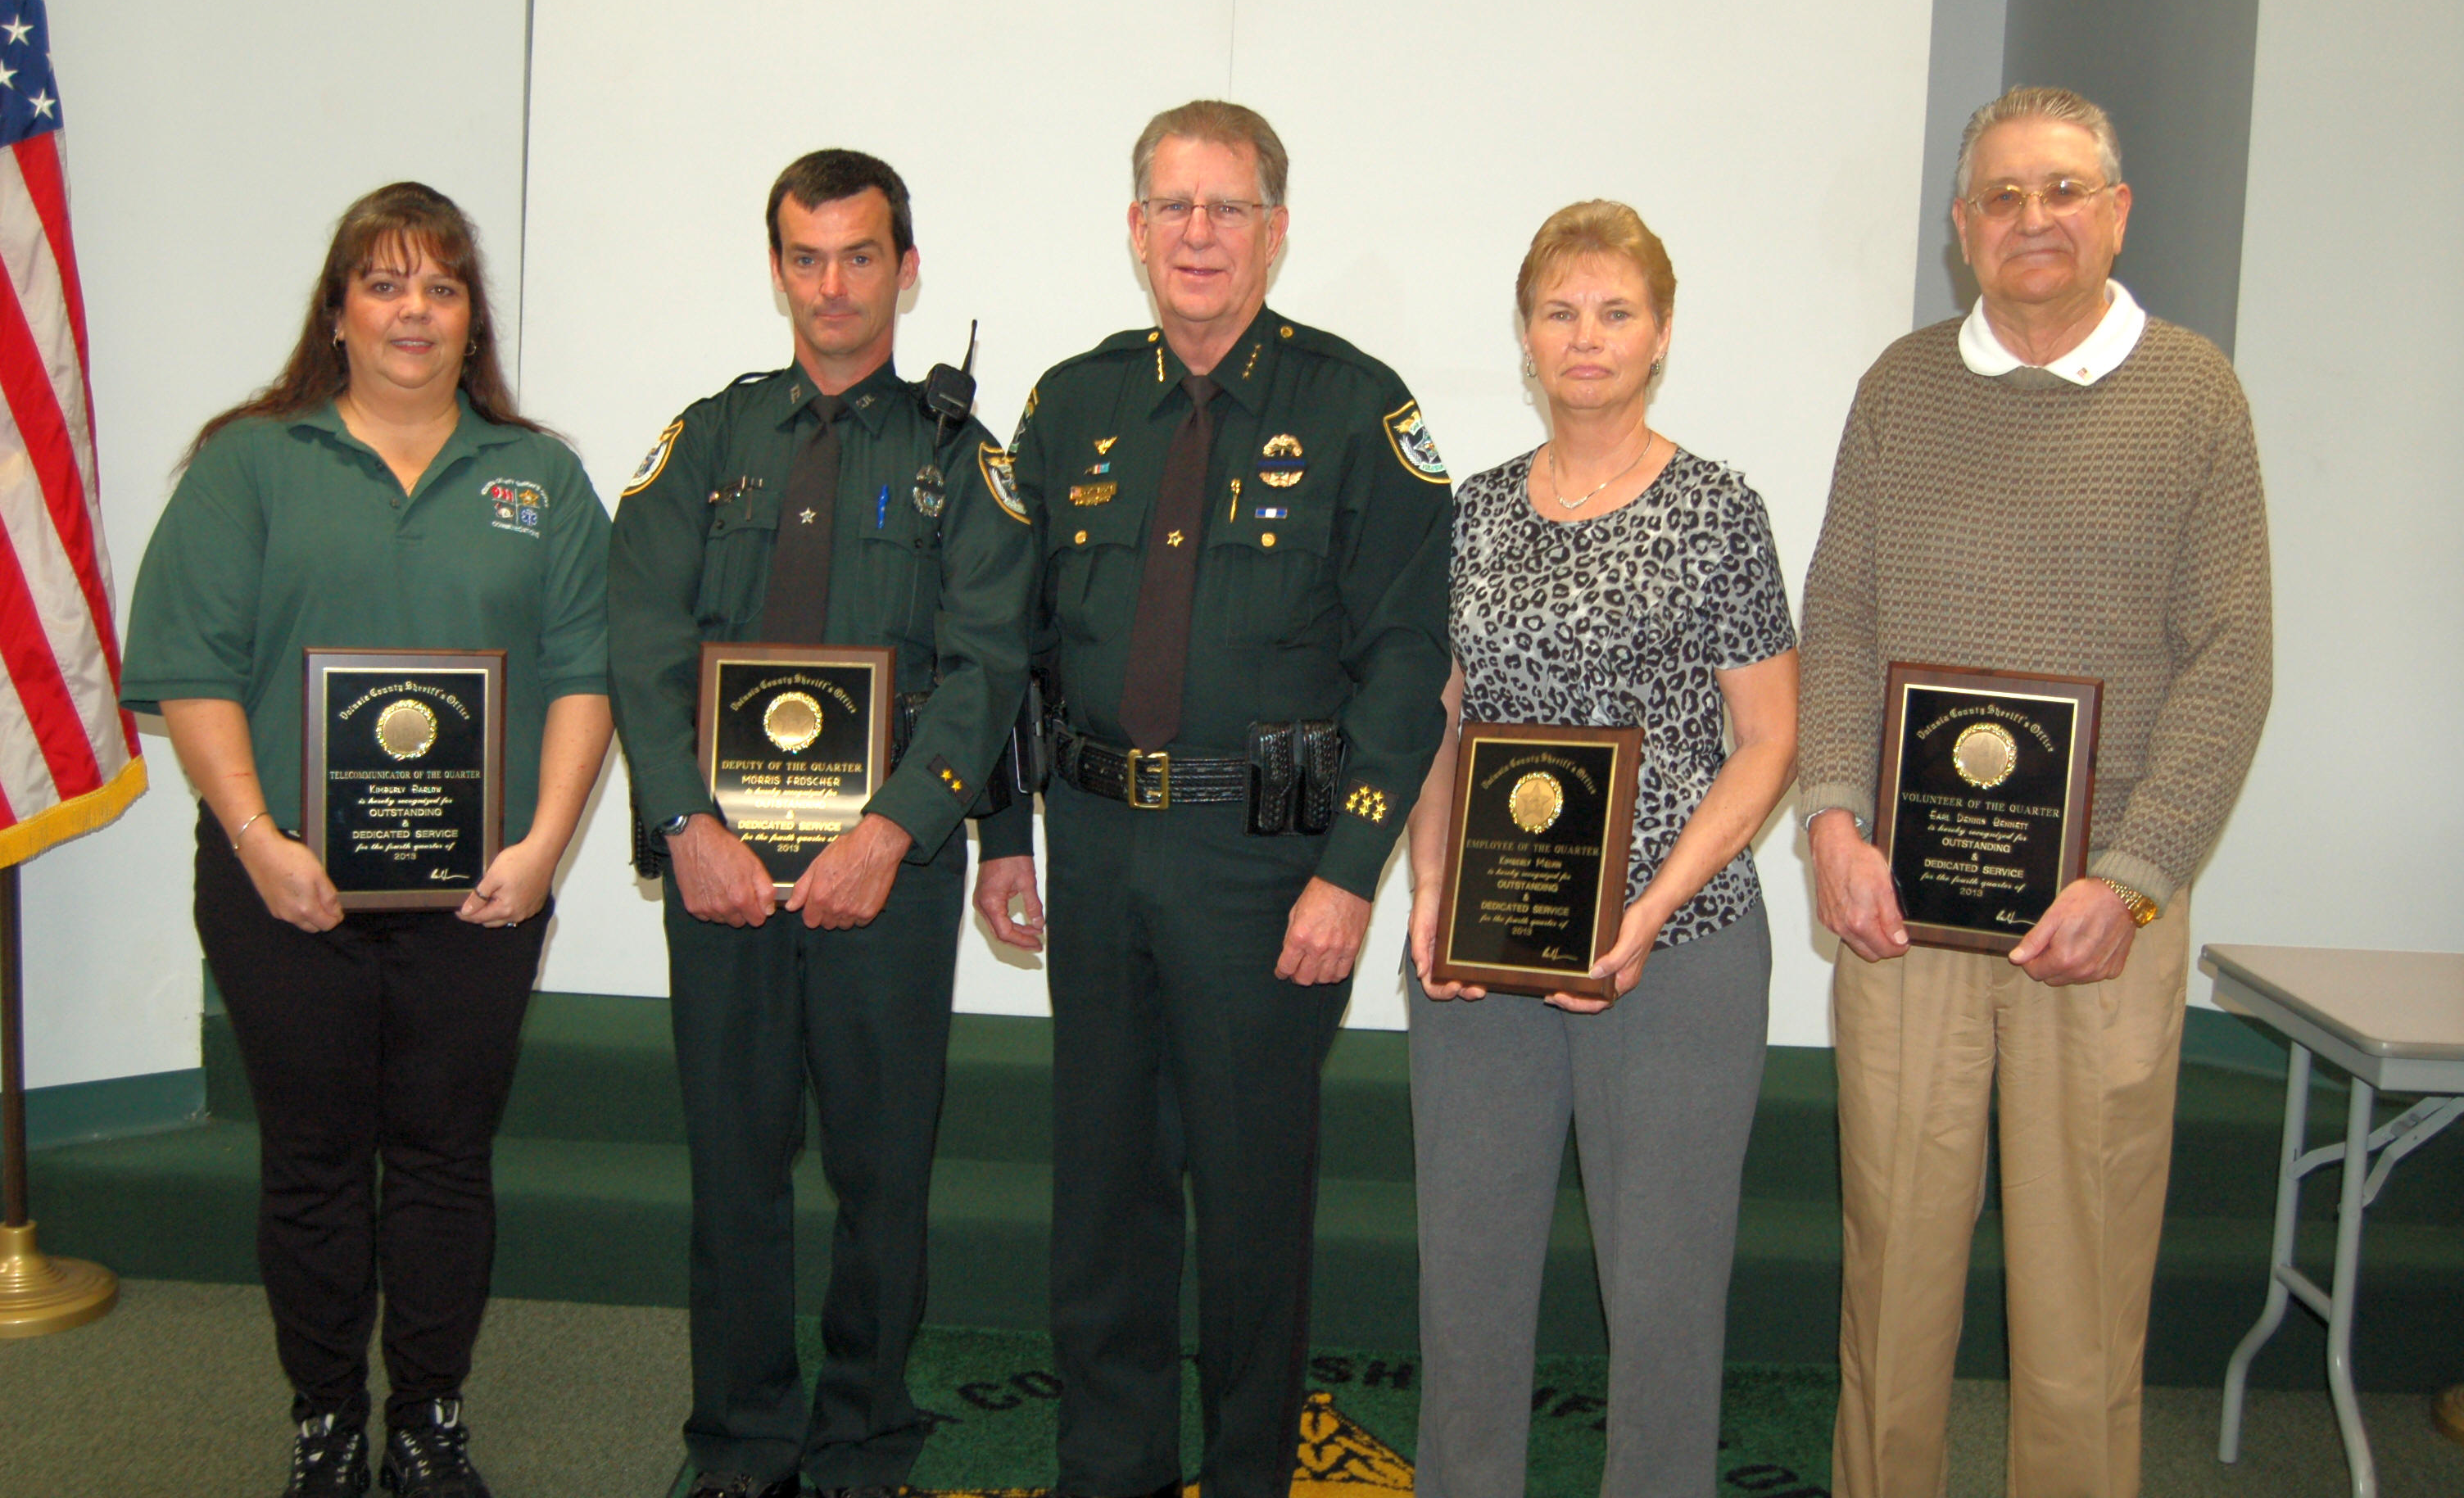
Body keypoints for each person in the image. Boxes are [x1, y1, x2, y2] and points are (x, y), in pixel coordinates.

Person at [969, 100, 1452, 1498]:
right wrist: (1010, 833)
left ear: (1277, 234)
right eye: (1172, 208)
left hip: (1269, 861)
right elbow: (1017, 646)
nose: (1198, 235)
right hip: (1103, 841)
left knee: (1249, 1203)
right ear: (1134, 231)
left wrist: (1351, 873)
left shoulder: (1360, 409)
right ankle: (1109, 1469)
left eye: (1228, 209)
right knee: (1104, 1194)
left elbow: (1408, 661)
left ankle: (1248, 1475)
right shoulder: (1072, 404)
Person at [1799, 85, 2272, 1498]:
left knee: (2082, 1303)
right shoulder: (1900, 386)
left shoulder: (2195, 394)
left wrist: (2133, 877)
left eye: (2063, 190)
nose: (2033, 219)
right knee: (1893, 1283)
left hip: (2101, 921)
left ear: (2117, 213)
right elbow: (1842, 612)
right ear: (1962, 229)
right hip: (1904, 912)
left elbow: (2231, 661)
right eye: (2002, 196)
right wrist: (1830, 815)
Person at [119, 182, 613, 1498]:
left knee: (447, 1163)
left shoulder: (540, 478)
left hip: (483, 896)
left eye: (441, 287)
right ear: (336, 312)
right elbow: (192, 671)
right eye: (385, 284)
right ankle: (328, 1420)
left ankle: (430, 1418)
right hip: (281, 885)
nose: (414, 311)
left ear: (472, 319)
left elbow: (585, 677)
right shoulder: (249, 463)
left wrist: (548, 847)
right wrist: (259, 836)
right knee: (314, 1164)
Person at [605, 149, 1033, 1498]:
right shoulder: (707, 443)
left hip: (883, 882)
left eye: (860, 256)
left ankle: (861, 1436)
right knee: (733, 1167)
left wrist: (894, 832)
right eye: (807, 256)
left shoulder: (966, 462)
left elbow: (988, 662)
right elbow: (640, 643)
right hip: (717, 871)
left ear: (905, 271)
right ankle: (736, 1439)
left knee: (880, 1171)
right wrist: (683, 824)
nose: (833, 285)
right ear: (777, 266)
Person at [1398, 201, 1799, 1498]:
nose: (1587, 336)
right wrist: (1431, 889)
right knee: (1466, 1281)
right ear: (1526, 335)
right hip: (1486, 957)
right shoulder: (1468, 514)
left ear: (1662, 333)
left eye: (1616, 311)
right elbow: (1438, 724)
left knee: (1667, 1295)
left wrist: (1647, 909)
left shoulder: (1719, 509)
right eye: (1561, 311)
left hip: (1674, 952)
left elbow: (1767, 742)